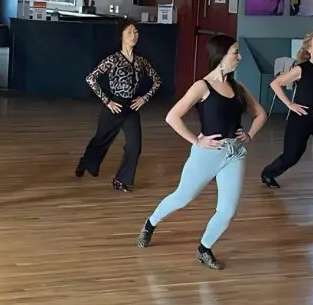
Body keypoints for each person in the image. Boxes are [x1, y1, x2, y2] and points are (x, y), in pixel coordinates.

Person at [135, 34, 267, 269]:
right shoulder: (202, 86)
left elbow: (261, 114)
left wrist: (250, 134)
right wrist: (196, 141)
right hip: (207, 153)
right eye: (235, 52)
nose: (240, 57)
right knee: (183, 197)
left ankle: (204, 248)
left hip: (234, 154)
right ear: (221, 55)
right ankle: (150, 223)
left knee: (227, 211)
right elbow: (172, 117)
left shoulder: (238, 87)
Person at [260, 30, 313, 202]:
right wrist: (289, 105)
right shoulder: (301, 69)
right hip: (300, 119)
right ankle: (267, 173)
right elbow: (275, 83)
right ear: (309, 49)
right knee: (292, 157)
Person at [75, 21, 161, 191]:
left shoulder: (141, 61)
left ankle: (122, 180)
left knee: (134, 145)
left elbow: (157, 81)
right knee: (101, 140)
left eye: (136, 32)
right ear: (121, 36)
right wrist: (107, 101)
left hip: (132, 108)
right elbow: (91, 78)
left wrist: (144, 98)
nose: (133, 35)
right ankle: (85, 162)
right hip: (114, 106)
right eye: (129, 32)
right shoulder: (113, 59)